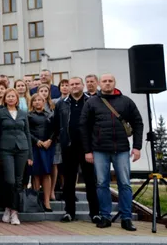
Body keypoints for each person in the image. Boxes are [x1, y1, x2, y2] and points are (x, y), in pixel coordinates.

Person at [80, 74, 144, 231]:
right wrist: (87, 151)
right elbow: (83, 126)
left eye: (110, 81)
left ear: (114, 83)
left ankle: (126, 218)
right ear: (99, 84)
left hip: (121, 149)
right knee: (102, 184)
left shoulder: (126, 101)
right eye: (104, 81)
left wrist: (137, 147)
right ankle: (105, 216)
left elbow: (138, 123)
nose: (107, 84)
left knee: (125, 184)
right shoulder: (91, 102)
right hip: (99, 149)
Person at [54, 77, 100, 224]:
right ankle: (69, 212)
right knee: (68, 181)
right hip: (68, 146)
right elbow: (56, 123)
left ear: (82, 85)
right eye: (71, 84)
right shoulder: (61, 103)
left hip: (87, 147)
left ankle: (95, 213)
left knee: (90, 180)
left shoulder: (92, 101)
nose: (74, 86)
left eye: (76, 84)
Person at [0, 88, 33, 226]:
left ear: (17, 99)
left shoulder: (23, 113)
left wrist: (30, 155)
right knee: (9, 181)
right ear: (5, 99)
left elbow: (27, 133)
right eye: (8, 96)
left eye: (13, 96)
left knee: (18, 181)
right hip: (5, 150)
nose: (10, 98)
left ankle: (14, 211)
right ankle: (7, 207)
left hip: (22, 149)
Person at [28, 93, 55, 211]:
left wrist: (50, 140)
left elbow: (55, 129)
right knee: (36, 174)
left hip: (47, 147)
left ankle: (47, 201)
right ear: (32, 103)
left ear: (44, 101)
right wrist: (36, 141)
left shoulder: (50, 115)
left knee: (47, 173)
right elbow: (26, 131)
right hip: (35, 146)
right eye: (35, 100)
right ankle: (36, 201)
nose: (37, 102)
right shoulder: (28, 116)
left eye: (40, 100)